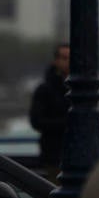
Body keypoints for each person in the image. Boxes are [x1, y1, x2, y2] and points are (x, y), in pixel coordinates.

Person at [28, 43, 69, 178]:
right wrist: (66, 123)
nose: (69, 62)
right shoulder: (44, 90)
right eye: (64, 58)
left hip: (76, 155)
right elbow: (36, 121)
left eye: (71, 58)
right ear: (55, 61)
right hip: (53, 156)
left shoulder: (80, 88)